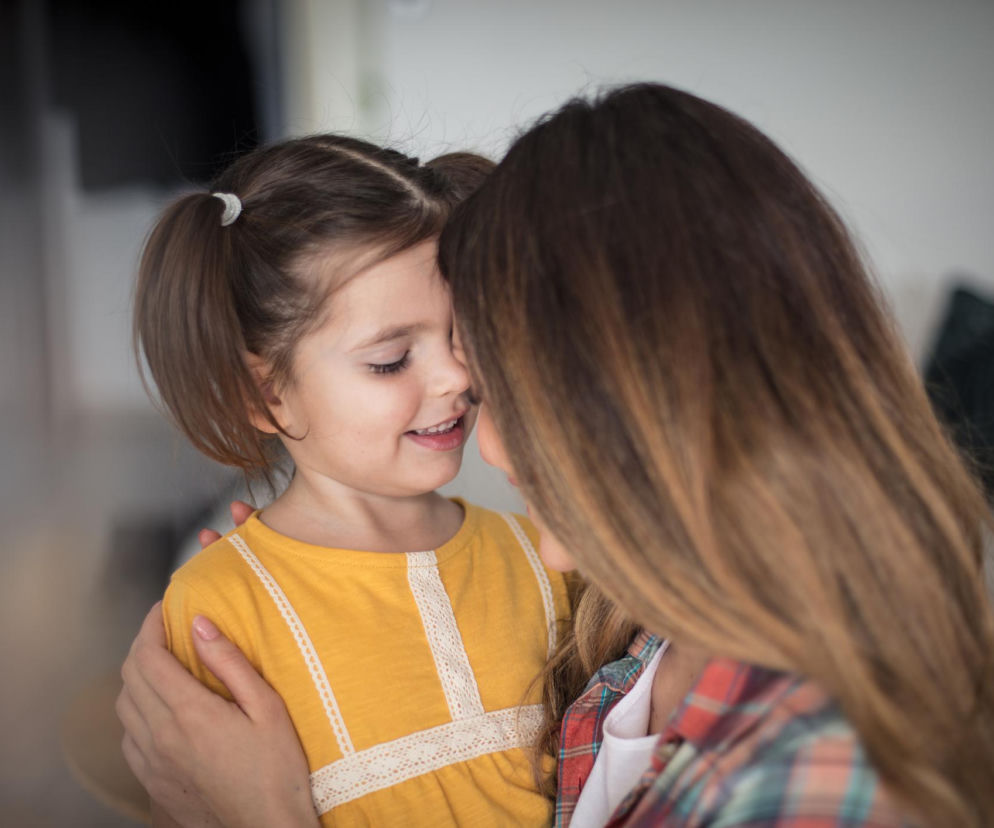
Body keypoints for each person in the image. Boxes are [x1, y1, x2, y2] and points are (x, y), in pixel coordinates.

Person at [118, 84, 994, 827]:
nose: (467, 405)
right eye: (393, 359)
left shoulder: (800, 784)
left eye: (485, 365)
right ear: (264, 393)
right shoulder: (638, 644)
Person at [128, 134, 570, 827]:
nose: (457, 375)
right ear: (266, 396)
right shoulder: (219, 610)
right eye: (392, 360)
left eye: (460, 334)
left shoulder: (544, 557)